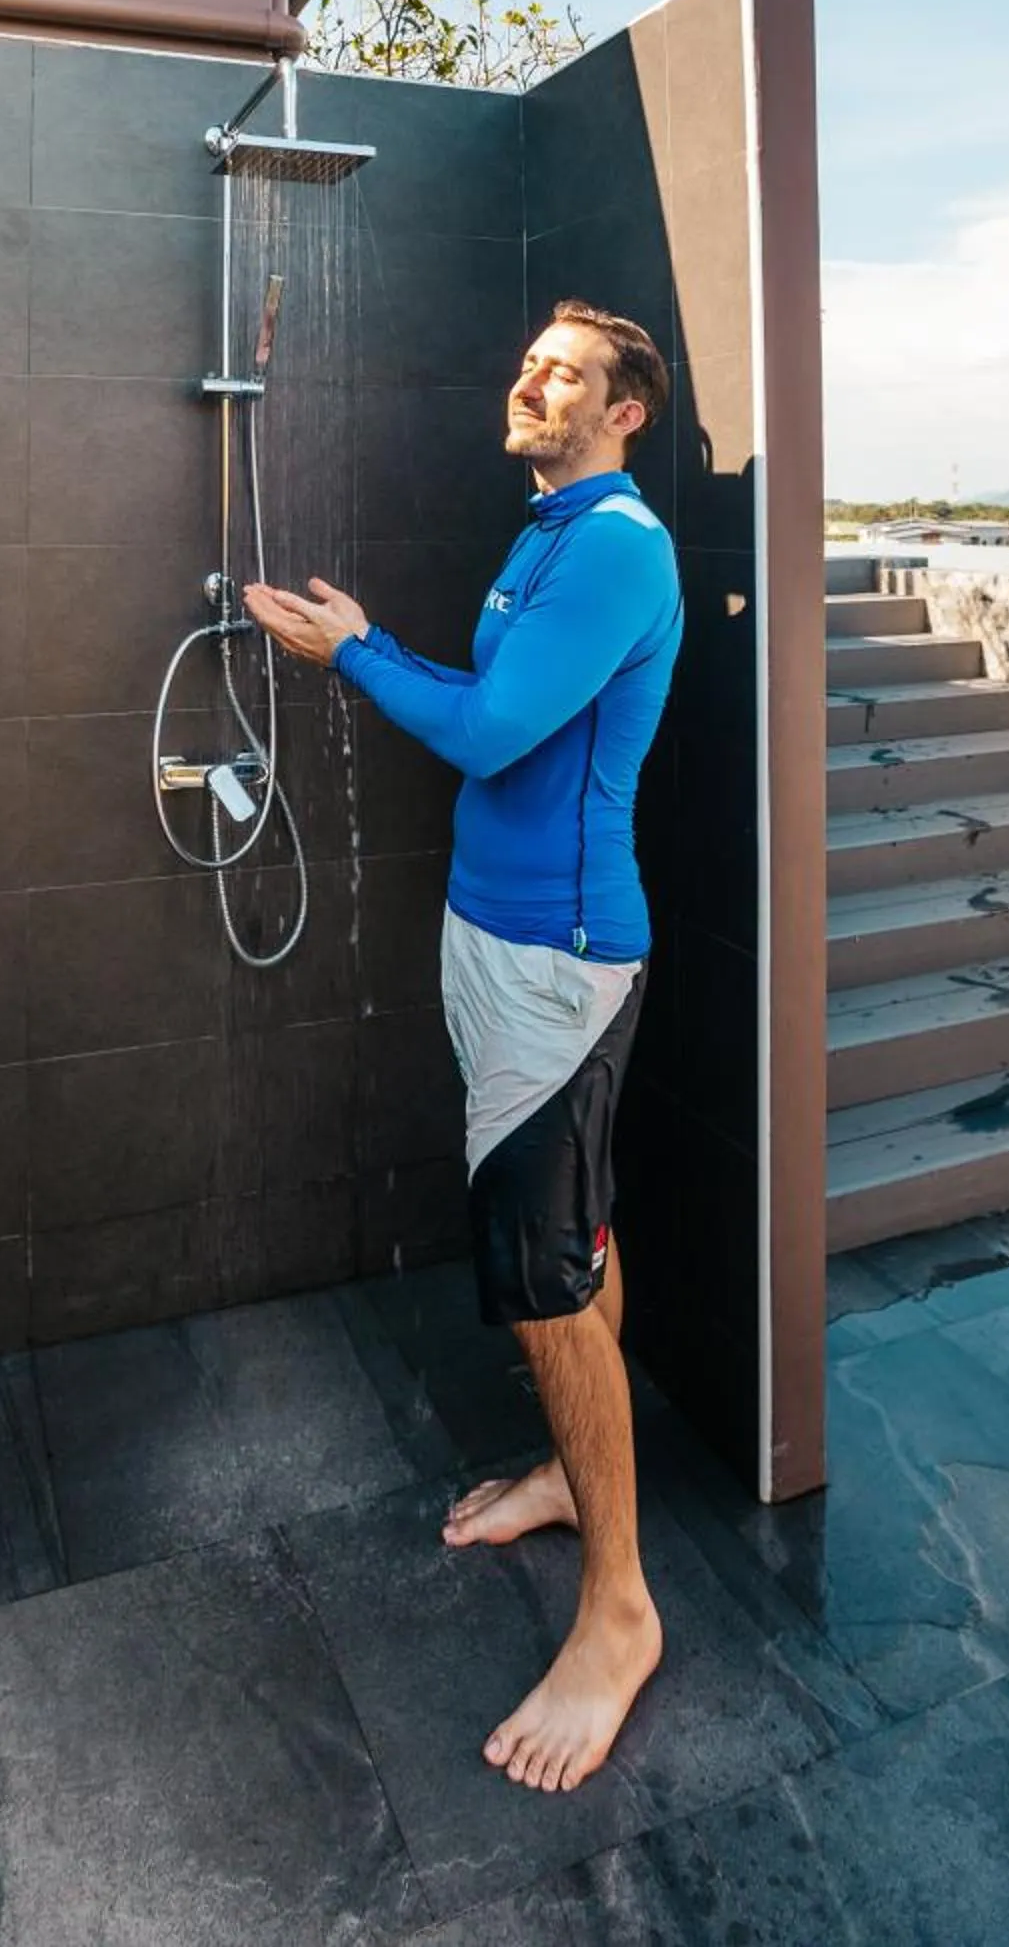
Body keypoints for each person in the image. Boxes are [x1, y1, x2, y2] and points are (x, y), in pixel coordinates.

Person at [244, 298, 683, 1795]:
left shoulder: (620, 545)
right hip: (506, 942)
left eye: (565, 373)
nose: (532, 381)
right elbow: (509, 718)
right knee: (575, 1234)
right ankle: (576, 1473)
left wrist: (356, 653)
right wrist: (367, 647)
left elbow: (496, 732)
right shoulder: (548, 531)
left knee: (544, 1279)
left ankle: (619, 1613)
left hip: (555, 960)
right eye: (530, 363)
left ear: (625, 411)